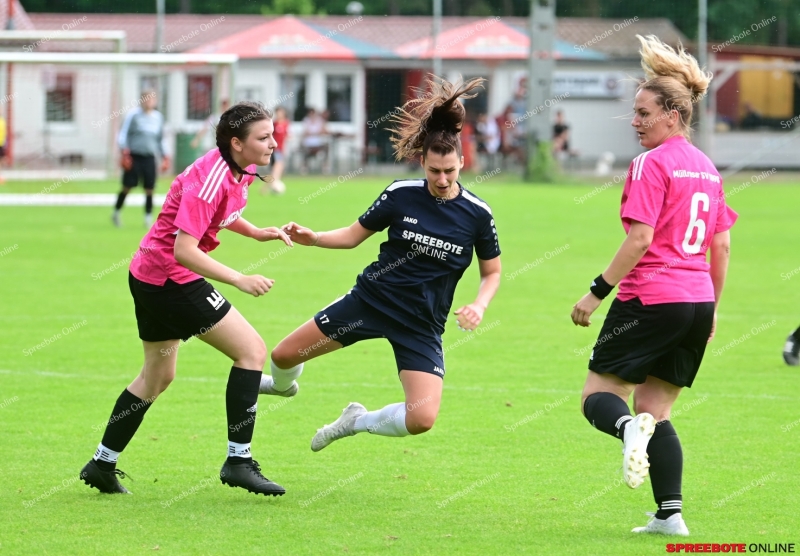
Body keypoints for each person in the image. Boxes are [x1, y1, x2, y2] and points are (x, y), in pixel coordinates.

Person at [258, 75, 502, 453]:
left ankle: (356, 421)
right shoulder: (400, 194)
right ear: (422, 161)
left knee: (421, 418)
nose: (441, 179)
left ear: (462, 163)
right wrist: (315, 237)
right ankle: (280, 386)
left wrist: (480, 305)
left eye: (450, 171)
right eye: (434, 170)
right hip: (370, 303)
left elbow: (492, 271)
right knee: (282, 356)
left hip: (421, 323)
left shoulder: (477, 214)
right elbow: (354, 235)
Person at [570, 35, 737, 536]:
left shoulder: (650, 164)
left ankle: (626, 433)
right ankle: (670, 515)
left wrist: (595, 292)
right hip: (696, 303)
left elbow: (640, 238)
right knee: (656, 409)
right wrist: (711, 311)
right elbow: (721, 248)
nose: (635, 121)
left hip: (650, 298)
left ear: (672, 115)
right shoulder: (707, 168)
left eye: (644, 112)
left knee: (599, 396)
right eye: (634, 112)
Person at [81, 101, 292, 497]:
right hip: (170, 277)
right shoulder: (211, 176)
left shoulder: (239, 168)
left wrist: (257, 232)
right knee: (251, 351)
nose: (272, 143)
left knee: (157, 376)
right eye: (263, 138)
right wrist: (239, 279)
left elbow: (222, 214)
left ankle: (101, 463)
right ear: (236, 143)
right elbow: (185, 249)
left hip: (149, 276)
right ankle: (238, 461)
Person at [113, 91, 171, 228]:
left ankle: (148, 218)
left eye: (152, 99)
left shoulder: (158, 118)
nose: (149, 101)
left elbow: (161, 139)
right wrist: (124, 152)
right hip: (134, 156)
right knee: (127, 187)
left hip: (149, 158)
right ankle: (116, 212)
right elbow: (123, 134)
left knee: (149, 188)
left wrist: (165, 156)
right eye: (146, 99)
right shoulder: (133, 115)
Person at [261, 105, 289, 195]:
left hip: (281, 149)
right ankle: (270, 185)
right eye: (277, 112)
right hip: (275, 149)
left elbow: (286, 136)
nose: (279, 114)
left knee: (278, 168)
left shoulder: (286, 123)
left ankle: (270, 186)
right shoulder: (274, 123)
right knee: (277, 168)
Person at [300, 107, 329, 173]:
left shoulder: (320, 120)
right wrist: (316, 133)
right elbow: (305, 132)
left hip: (318, 143)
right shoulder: (306, 120)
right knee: (304, 151)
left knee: (326, 148)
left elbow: (324, 131)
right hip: (308, 143)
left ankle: (325, 166)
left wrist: (313, 133)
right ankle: (304, 166)